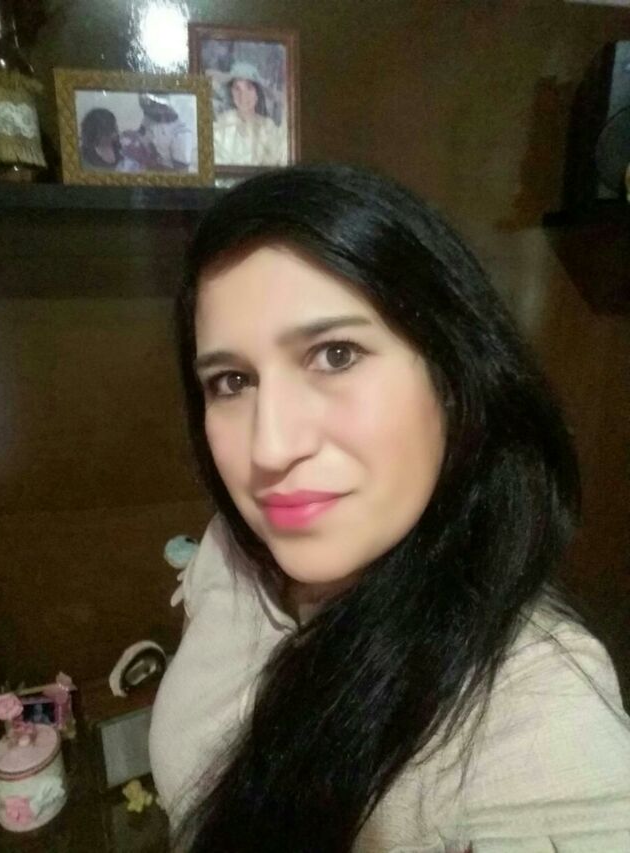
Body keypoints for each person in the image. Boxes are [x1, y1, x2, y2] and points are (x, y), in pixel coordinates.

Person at [149, 164, 630, 852]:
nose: (270, 449)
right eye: (232, 380)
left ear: (453, 375)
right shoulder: (231, 545)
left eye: (335, 354)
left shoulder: (538, 705)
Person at [212, 61, 286, 167]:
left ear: (257, 93)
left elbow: (279, 161)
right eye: (237, 88)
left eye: (249, 88)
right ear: (231, 92)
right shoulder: (220, 125)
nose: (243, 95)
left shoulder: (268, 128)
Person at [120, 93, 193, 172]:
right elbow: (142, 132)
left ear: (162, 107)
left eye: (149, 108)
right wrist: (132, 135)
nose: (145, 113)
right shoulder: (151, 117)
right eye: (144, 109)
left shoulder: (181, 134)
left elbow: (181, 174)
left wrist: (149, 163)